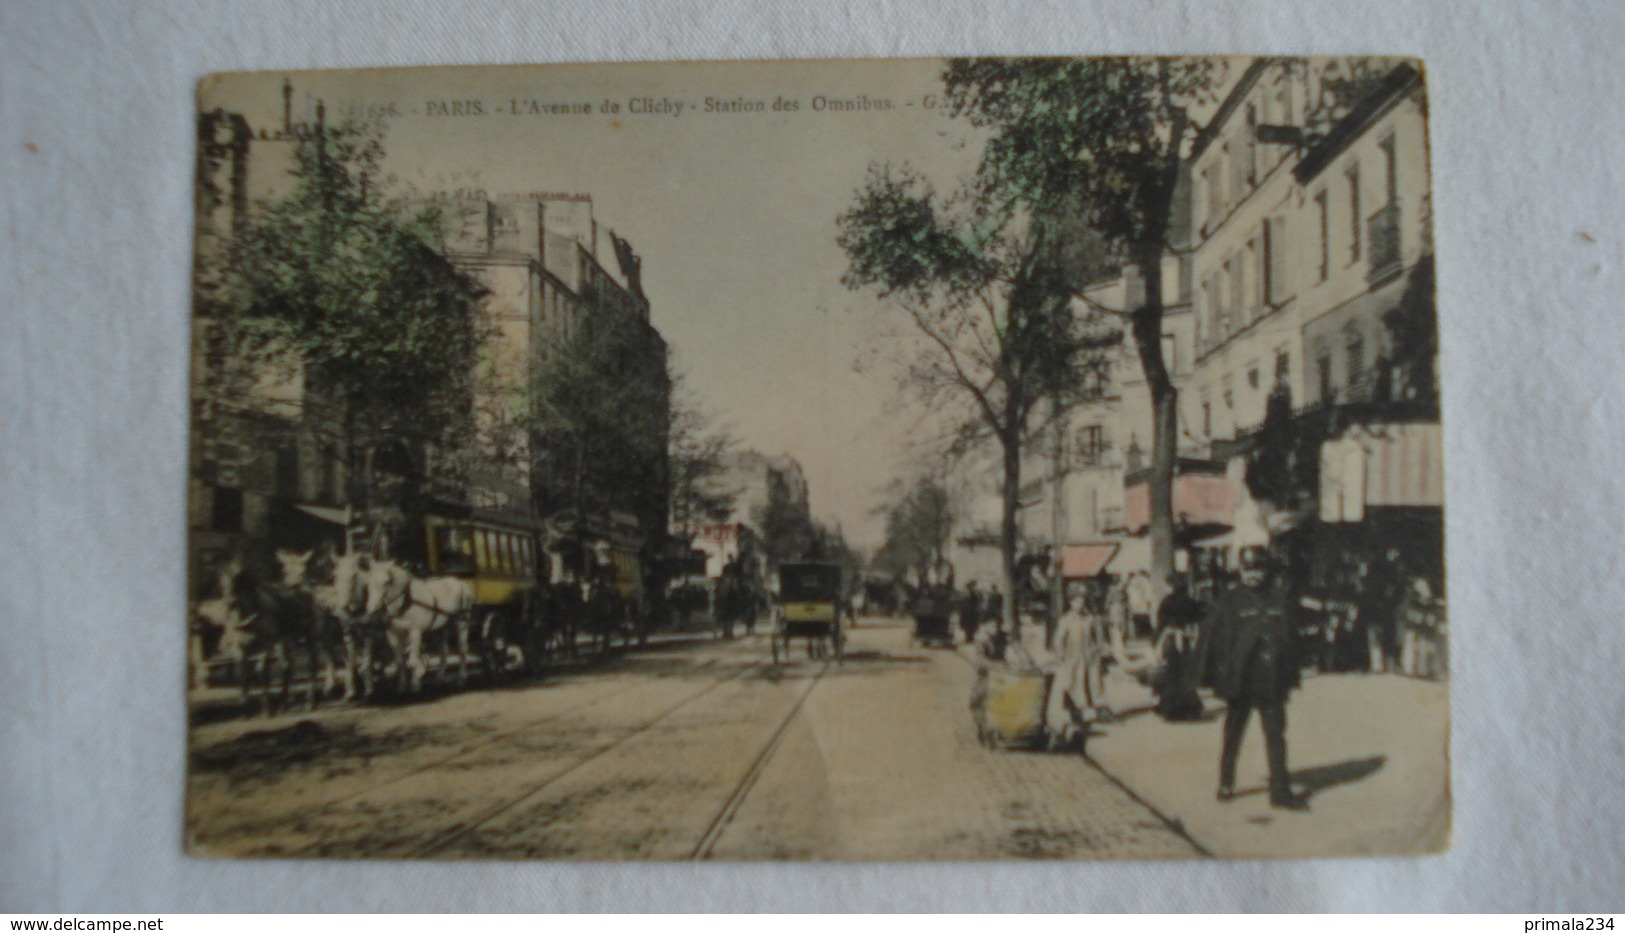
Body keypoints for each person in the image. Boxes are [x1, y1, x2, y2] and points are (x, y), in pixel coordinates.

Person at [1195, 548, 1308, 810]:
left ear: (1266, 570)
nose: (1253, 575)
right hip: (1241, 682)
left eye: (1258, 569)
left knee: (1276, 736)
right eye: (1248, 570)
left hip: (1271, 682)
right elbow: (1214, 642)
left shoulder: (1279, 599)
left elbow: (1291, 639)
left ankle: (1280, 792)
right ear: (1240, 571)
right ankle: (1226, 782)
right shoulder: (1229, 601)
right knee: (1233, 734)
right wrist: (1219, 678)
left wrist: (1290, 675)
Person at [1152, 574, 1206, 721]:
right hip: (1184, 639)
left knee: (1172, 674)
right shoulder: (1188, 601)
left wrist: (1156, 642)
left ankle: (1171, 709)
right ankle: (1189, 708)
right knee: (1185, 673)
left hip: (1170, 639)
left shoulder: (1167, 602)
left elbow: (1161, 624)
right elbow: (1199, 616)